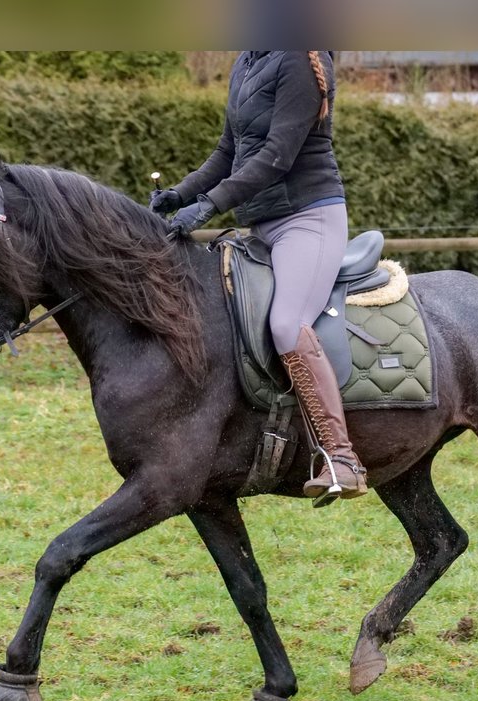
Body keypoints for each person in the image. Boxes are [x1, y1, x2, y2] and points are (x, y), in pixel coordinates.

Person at [150, 50, 366, 505]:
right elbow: (228, 151)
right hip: (262, 225)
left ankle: (341, 458)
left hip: (308, 218)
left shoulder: (300, 60)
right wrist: (181, 193)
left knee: (287, 324)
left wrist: (208, 207)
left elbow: (277, 155)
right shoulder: (247, 62)